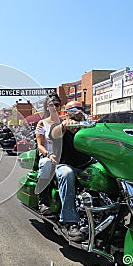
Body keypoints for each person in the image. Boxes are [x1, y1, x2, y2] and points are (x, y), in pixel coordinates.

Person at [49, 100, 92, 242]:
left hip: (87, 165)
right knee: (67, 174)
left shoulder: (88, 127)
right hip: (65, 165)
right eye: (73, 110)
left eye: (79, 109)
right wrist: (64, 126)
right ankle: (70, 222)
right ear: (67, 113)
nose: (77, 113)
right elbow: (53, 134)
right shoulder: (60, 125)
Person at [35, 92, 62, 215]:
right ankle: (43, 201)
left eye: (57, 105)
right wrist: (48, 154)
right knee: (46, 164)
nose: (55, 108)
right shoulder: (42, 123)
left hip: (62, 156)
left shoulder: (65, 122)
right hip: (47, 156)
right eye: (51, 105)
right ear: (47, 107)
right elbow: (40, 145)